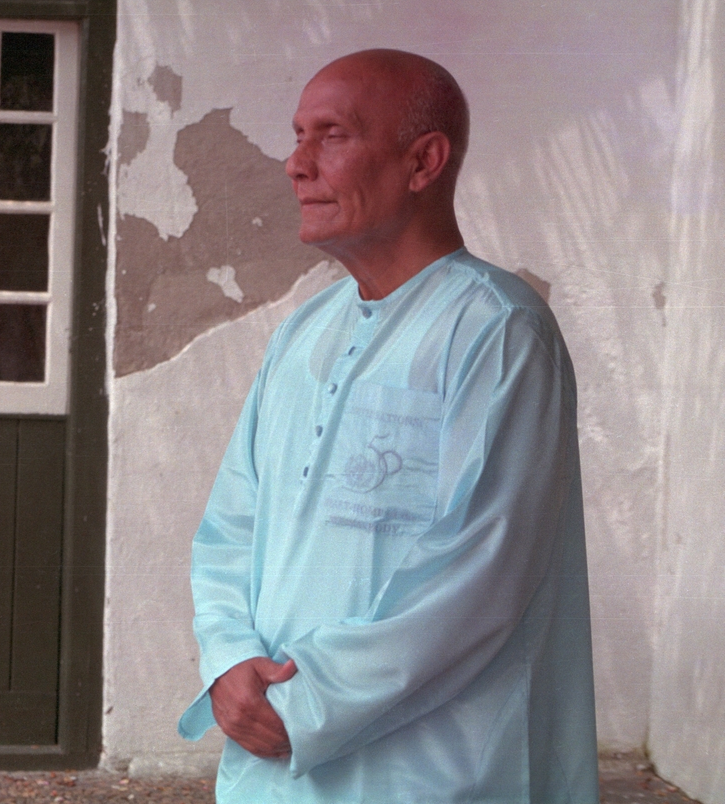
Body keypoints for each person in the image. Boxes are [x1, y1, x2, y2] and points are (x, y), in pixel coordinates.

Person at [178, 50, 599, 802]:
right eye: (297, 135)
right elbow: (230, 528)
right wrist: (229, 659)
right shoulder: (304, 333)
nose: (295, 165)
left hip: (432, 772)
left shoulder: (496, 331)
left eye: (331, 135)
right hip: (273, 765)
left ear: (423, 160)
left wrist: (305, 705)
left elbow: (478, 579)